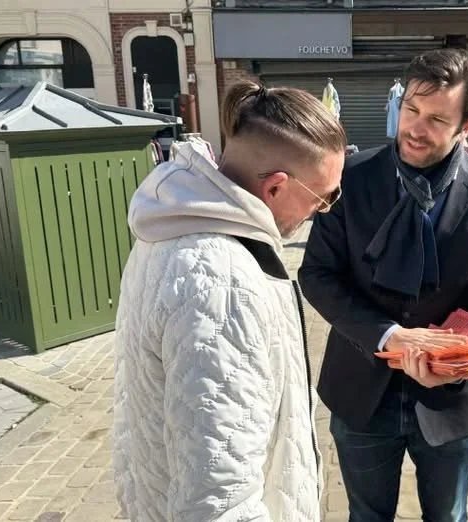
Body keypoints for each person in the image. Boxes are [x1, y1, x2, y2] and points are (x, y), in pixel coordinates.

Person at [299, 48, 468, 522]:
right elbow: (317, 274)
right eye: (411, 109)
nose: (415, 129)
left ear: (467, 125)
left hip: (451, 400)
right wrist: (388, 336)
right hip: (361, 390)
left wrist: (454, 362)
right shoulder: (350, 179)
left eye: (437, 119)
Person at [113, 81, 346, 522]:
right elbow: (221, 500)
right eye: (323, 197)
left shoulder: (171, 225)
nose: (324, 210)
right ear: (275, 187)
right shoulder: (223, 283)